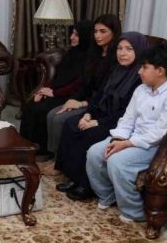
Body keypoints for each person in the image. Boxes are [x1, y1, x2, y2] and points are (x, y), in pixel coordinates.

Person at [86, 43, 167, 222]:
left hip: (157, 146)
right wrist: (118, 138)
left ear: (160, 70)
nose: (139, 71)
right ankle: (108, 196)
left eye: (144, 67)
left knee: (117, 161)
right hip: (132, 137)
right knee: (95, 153)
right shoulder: (141, 89)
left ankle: (134, 212)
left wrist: (126, 144)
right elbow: (128, 119)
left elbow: (160, 133)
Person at [55, 32, 149, 200]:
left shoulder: (140, 78)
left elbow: (125, 113)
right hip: (100, 113)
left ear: (139, 51)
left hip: (119, 122)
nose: (122, 53)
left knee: (90, 134)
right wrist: (88, 113)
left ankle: (86, 186)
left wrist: (96, 122)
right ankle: (73, 178)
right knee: (71, 124)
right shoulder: (115, 69)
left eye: (129, 49)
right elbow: (98, 94)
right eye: (120, 48)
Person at [46, 14, 121, 155]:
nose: (97, 36)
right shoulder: (94, 53)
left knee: (60, 119)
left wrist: (82, 104)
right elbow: (84, 83)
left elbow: (104, 93)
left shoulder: (117, 58)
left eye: (103, 31)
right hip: (85, 99)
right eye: (95, 31)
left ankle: (59, 158)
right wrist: (72, 99)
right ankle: (54, 156)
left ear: (114, 33)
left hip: (97, 104)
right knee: (52, 115)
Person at [18, 20, 94, 161]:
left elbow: (78, 84)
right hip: (58, 91)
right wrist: (44, 90)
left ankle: (42, 152)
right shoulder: (71, 53)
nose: (71, 37)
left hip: (73, 96)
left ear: (85, 36)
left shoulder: (90, 58)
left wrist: (54, 93)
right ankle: (25, 147)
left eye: (76, 35)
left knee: (42, 110)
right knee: (31, 105)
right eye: (72, 33)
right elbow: (58, 76)